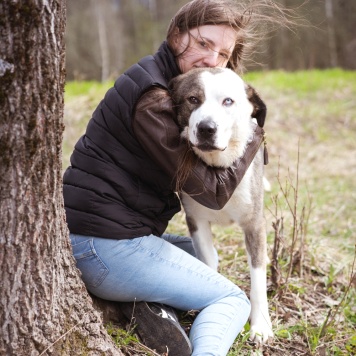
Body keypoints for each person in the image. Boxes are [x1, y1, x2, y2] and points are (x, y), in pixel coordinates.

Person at [63, 0, 270, 354]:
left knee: (201, 257)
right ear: (176, 35)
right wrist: (253, 131)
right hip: (104, 247)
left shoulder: (164, 82)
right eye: (204, 44)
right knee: (232, 299)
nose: (211, 59)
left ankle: (151, 310)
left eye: (222, 53)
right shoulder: (154, 99)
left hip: (98, 237)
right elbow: (212, 192)